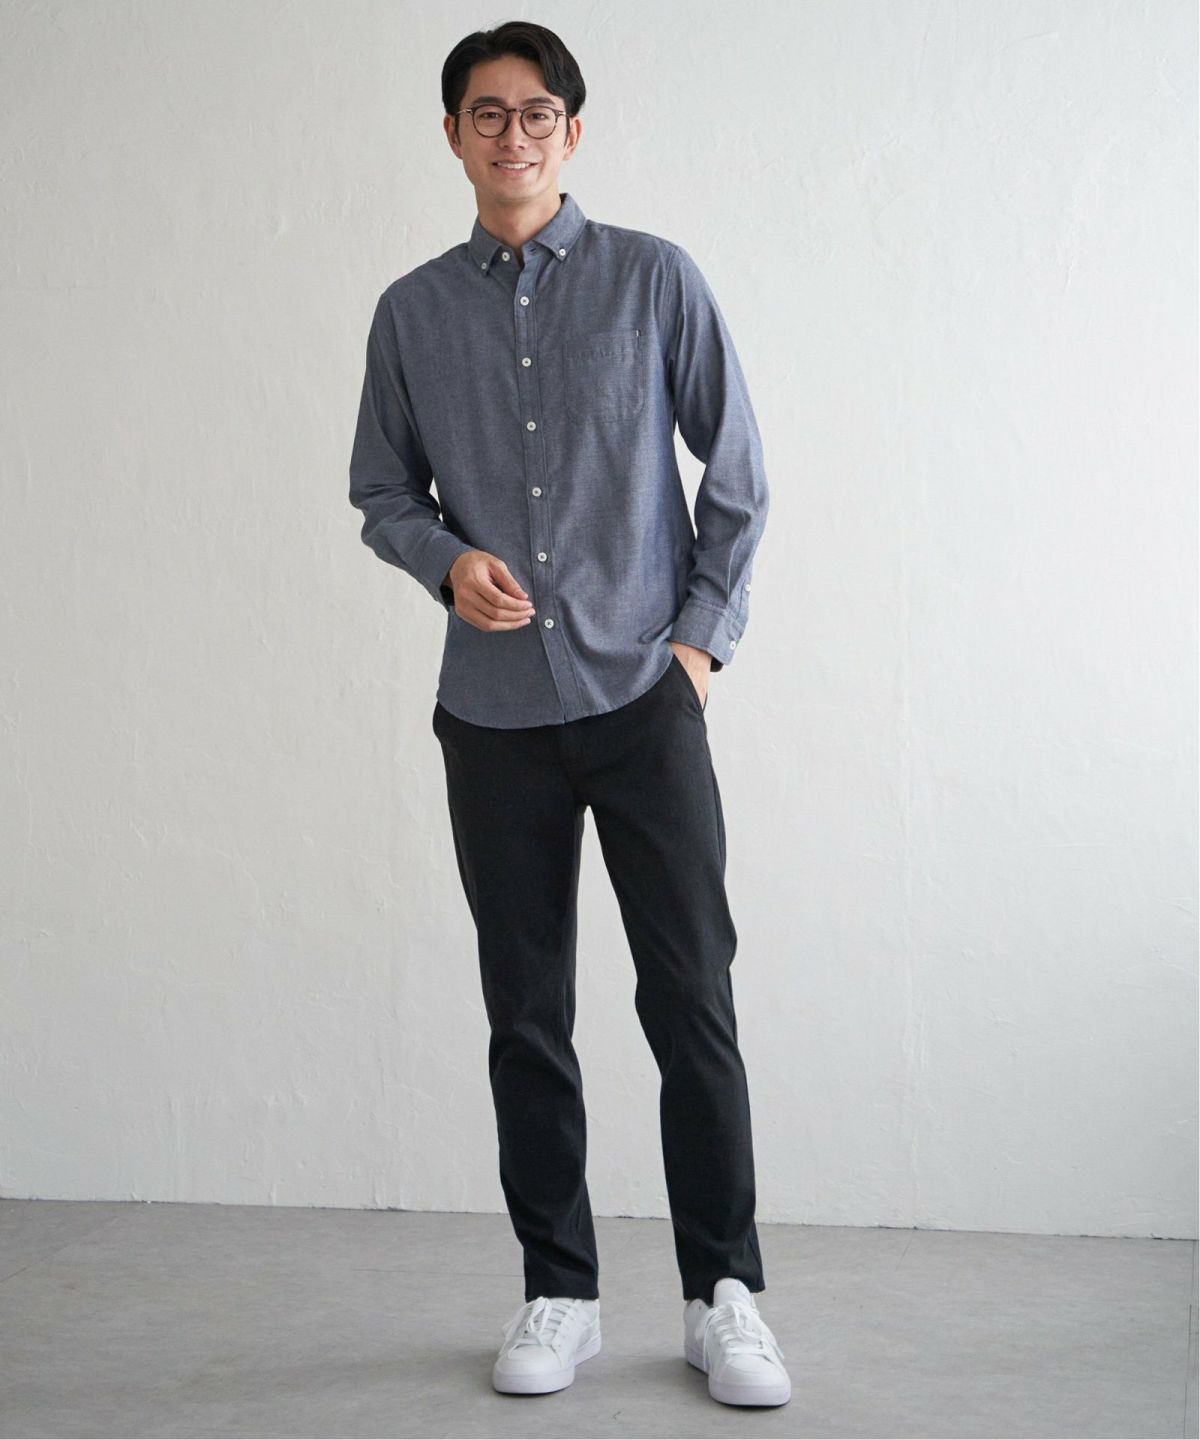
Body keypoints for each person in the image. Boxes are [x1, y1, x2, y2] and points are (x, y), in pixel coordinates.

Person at [347, 19, 788, 1409]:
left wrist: (697, 652)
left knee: (691, 995)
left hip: (643, 698)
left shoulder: (655, 280)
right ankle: (561, 1290)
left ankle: (724, 1295)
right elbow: (381, 490)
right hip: (494, 719)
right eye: (487, 113)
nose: (514, 135)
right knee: (526, 1011)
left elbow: (739, 474)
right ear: (453, 135)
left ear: (572, 133)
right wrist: (444, 561)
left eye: (537, 112)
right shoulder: (412, 313)